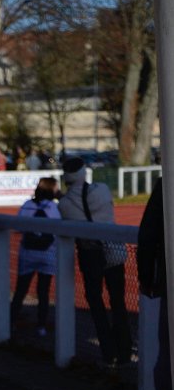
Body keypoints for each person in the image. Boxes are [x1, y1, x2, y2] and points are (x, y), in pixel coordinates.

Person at [58, 156, 131, 366]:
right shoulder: (102, 190)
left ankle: (108, 351)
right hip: (113, 249)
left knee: (95, 301)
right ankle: (124, 350)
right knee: (118, 301)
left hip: (89, 255)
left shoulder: (64, 204)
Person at [137, 177, 173, 390]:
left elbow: (148, 234)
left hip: (170, 281)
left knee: (168, 353)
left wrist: (147, 277)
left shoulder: (167, 181)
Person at [11, 177, 61, 337]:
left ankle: (10, 323)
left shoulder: (27, 205)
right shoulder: (54, 207)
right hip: (48, 255)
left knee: (21, 290)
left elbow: (18, 226)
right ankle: (41, 326)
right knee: (43, 292)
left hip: (27, 254)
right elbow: (59, 228)